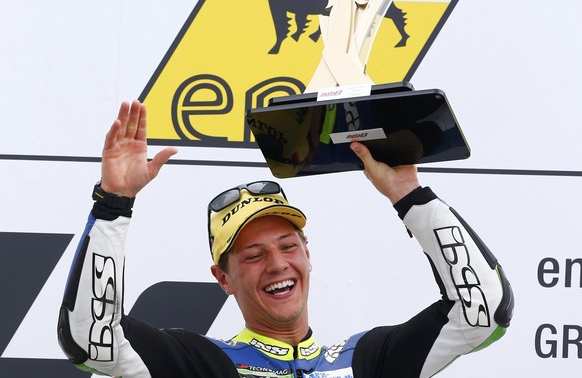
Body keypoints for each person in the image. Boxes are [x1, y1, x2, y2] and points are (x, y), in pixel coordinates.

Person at [58, 100, 514, 377]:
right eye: (253, 255)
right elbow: (91, 340)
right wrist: (113, 203)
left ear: (307, 255)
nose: (278, 264)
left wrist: (410, 196)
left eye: (288, 246)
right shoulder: (202, 365)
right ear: (224, 278)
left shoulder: (367, 362)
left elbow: (483, 311)